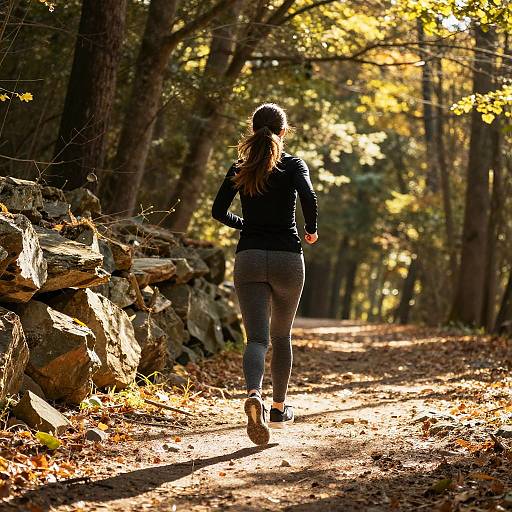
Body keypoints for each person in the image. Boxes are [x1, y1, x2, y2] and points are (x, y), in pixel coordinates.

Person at [211, 103, 318, 445]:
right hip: (288, 258)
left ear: (252, 129)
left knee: (257, 339)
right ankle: (277, 407)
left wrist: (247, 225)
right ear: (283, 132)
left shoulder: (241, 166)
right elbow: (309, 196)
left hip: (250, 257)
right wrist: (311, 229)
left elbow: (218, 211)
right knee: (282, 336)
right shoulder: (293, 164)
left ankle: (253, 393)